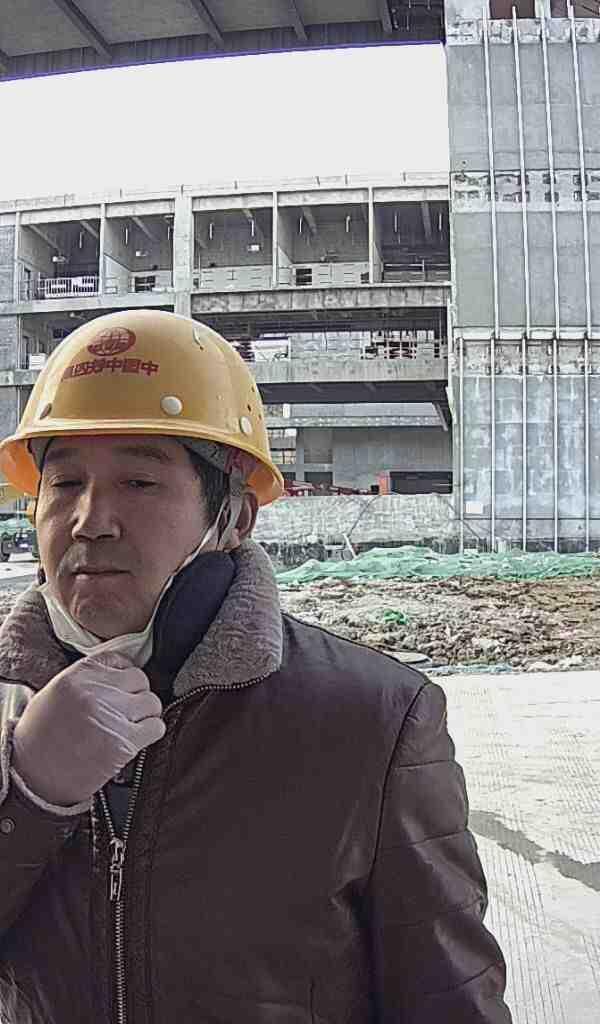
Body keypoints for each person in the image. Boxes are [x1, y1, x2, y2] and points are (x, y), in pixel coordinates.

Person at [0, 310, 512, 1023]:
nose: (90, 520)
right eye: (64, 484)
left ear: (234, 518)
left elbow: (447, 1004)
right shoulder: (6, 709)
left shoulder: (375, 722)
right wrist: (28, 799)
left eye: (139, 482)